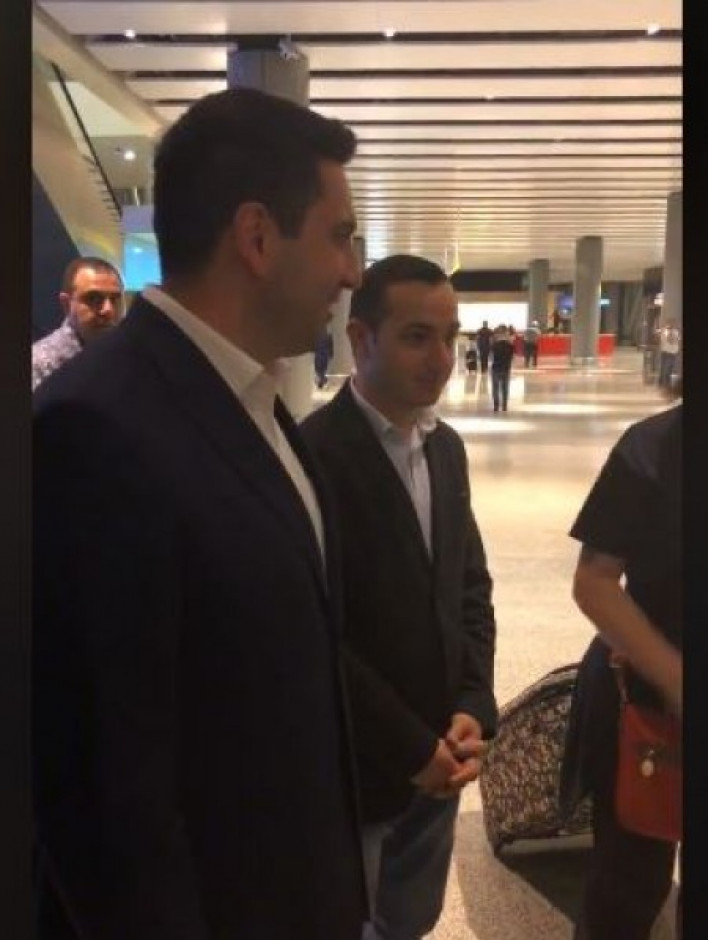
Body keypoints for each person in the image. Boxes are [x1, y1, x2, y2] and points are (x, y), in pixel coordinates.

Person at [32, 87, 367, 940]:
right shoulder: (93, 428)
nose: (352, 273)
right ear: (256, 237)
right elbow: (101, 788)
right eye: (339, 236)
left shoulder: (254, 399)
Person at [300, 254, 498, 940]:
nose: (442, 359)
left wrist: (473, 702)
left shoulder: (445, 449)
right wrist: (411, 748)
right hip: (361, 768)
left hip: (445, 749)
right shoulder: (313, 456)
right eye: (417, 337)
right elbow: (316, 632)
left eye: (451, 336)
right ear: (360, 339)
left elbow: (468, 586)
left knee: (412, 918)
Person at [560, 391, 682, 940]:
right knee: (628, 885)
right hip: (646, 705)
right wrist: (679, 682)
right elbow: (594, 582)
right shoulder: (653, 447)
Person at [32, 256, 124, 390]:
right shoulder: (39, 365)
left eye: (115, 299)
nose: (108, 310)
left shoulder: (130, 357)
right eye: (93, 298)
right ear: (66, 303)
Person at [490, 324, 514, 412]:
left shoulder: (494, 345)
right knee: (505, 388)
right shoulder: (510, 345)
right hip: (506, 368)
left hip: (496, 367)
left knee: (495, 387)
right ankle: (504, 406)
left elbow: (491, 356)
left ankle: (496, 405)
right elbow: (511, 357)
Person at [657, 319, 680, 389]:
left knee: (668, 369)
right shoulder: (665, 331)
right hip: (666, 352)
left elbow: (674, 341)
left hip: (671, 352)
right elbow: (668, 340)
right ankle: (663, 384)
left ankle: (665, 384)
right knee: (665, 369)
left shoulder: (675, 332)